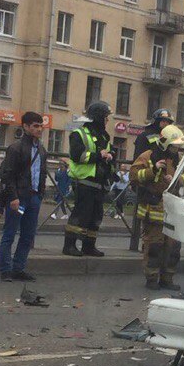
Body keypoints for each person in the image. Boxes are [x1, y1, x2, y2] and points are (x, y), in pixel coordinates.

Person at [132, 123, 184, 290]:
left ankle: (167, 279)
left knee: (173, 248)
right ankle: (151, 279)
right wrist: (153, 170)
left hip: (172, 207)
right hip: (154, 207)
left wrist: (177, 180)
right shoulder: (148, 156)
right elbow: (134, 176)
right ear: (165, 143)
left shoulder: (179, 159)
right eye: (174, 146)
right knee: (154, 246)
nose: (176, 150)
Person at [0, 111, 48, 282]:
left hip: (33, 198)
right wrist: (13, 197)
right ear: (25, 127)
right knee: (10, 232)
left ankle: (18, 268)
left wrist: (40, 194)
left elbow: (42, 173)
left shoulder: (41, 149)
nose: (39, 129)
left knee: (28, 234)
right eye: (35, 126)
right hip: (19, 199)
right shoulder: (16, 148)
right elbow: (8, 175)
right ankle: (5, 269)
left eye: (41, 126)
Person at [64, 102, 114, 257]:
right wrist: (99, 155)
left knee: (96, 216)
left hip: (99, 183)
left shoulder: (104, 136)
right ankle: (69, 245)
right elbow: (77, 155)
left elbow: (107, 153)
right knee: (80, 214)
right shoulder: (79, 133)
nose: (107, 120)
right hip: (84, 181)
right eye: (106, 117)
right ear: (99, 117)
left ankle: (89, 246)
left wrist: (110, 157)